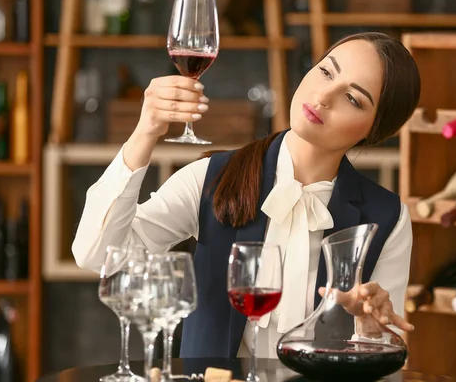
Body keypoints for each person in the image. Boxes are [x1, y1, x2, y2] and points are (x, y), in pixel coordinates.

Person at [72, 31, 421, 359]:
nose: (323, 97)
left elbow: (387, 358)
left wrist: (371, 329)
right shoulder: (211, 179)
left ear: (374, 131)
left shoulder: (387, 218)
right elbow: (98, 256)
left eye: (352, 98)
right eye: (326, 72)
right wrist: (144, 132)